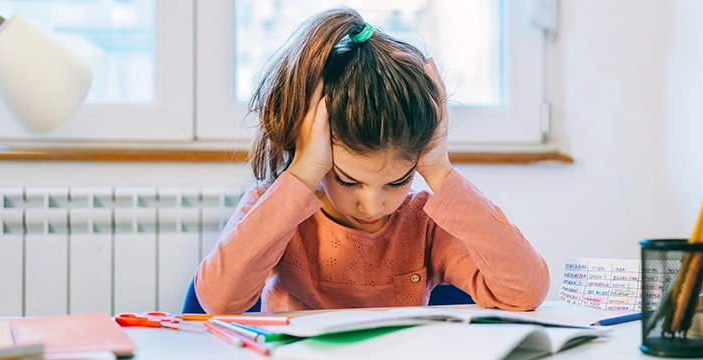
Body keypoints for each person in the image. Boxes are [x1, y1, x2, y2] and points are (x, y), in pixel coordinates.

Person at [195, 7, 549, 314]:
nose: (373, 205)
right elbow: (219, 301)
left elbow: (525, 292)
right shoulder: (274, 208)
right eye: (349, 181)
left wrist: (438, 168)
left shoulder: (423, 225)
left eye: (398, 181)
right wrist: (302, 172)